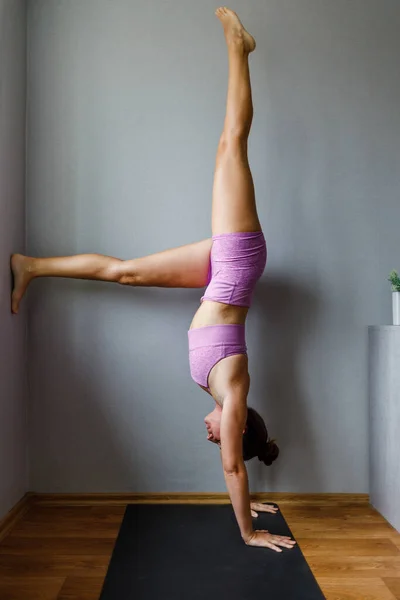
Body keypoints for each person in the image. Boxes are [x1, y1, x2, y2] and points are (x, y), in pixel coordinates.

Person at [11, 7, 295, 552]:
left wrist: (255, 496)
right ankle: (239, 47)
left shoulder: (215, 389)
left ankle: (33, 267)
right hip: (236, 261)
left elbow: (242, 469)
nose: (210, 438)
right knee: (231, 144)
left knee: (125, 273)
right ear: (237, 425)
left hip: (219, 274)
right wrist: (250, 530)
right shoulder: (233, 392)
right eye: (221, 437)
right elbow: (234, 468)